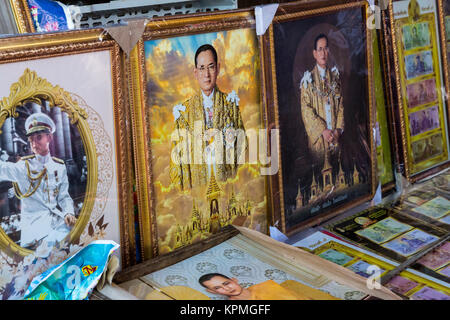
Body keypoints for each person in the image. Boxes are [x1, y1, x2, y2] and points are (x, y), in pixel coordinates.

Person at [170, 44, 246, 190]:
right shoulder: (184, 113)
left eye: (211, 67)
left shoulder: (230, 106)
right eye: (202, 68)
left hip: (227, 186)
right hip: (198, 188)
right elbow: (178, 162)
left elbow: (242, 150)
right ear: (195, 72)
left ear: (217, 68)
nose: (207, 74)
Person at [0, 112, 76, 249]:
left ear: (49, 137)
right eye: (31, 140)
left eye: (39, 137)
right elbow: (3, 169)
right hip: (35, 234)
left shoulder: (59, 166)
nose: (34, 144)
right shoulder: (24, 166)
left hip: (57, 227)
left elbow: (64, 197)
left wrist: (69, 212)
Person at [300, 33, 344, 174]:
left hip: (335, 138)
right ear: (314, 53)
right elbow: (306, 110)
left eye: (325, 48)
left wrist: (337, 130)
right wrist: (322, 131)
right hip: (320, 140)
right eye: (320, 49)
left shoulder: (335, 78)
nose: (323, 53)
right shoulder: (308, 80)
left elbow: (341, 105)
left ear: (329, 51)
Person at [198, 273, 316, 300]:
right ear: (212, 292)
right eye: (218, 288)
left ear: (233, 280)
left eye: (226, 283)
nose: (227, 288)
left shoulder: (267, 286)